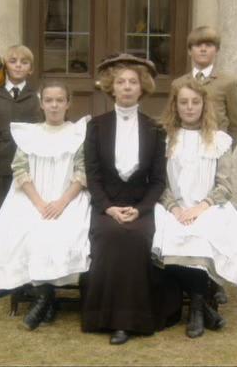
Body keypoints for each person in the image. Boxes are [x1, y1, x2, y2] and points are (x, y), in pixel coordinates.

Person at [81, 53, 179, 345]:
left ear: (142, 87)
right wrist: (109, 208)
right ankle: (105, 317)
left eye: (132, 82)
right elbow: (93, 176)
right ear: (112, 87)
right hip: (105, 206)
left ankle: (134, 319)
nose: (126, 87)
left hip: (141, 207)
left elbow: (159, 180)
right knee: (110, 235)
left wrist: (140, 210)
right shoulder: (96, 126)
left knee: (136, 238)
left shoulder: (155, 128)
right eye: (121, 82)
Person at [0, 81, 91, 330]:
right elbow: (20, 169)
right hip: (32, 196)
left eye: (59, 100)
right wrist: (38, 203)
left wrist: (61, 202)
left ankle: (45, 299)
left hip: (67, 197)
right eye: (49, 100)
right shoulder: (30, 134)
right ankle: (46, 298)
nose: (54, 105)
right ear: (41, 103)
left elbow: (82, 172)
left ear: (68, 103)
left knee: (58, 232)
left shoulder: (78, 132)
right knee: (21, 227)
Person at [153, 78, 237, 338]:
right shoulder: (165, 138)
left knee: (201, 236)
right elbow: (159, 182)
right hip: (172, 206)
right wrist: (174, 209)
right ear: (175, 105)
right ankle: (202, 306)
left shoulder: (219, 140)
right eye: (183, 102)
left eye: (195, 102)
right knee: (165, 235)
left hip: (209, 206)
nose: (190, 107)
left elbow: (225, 186)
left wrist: (200, 208)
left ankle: (196, 307)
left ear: (204, 105)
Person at [172, 25, 237, 304]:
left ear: (216, 50)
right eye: (198, 45)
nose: (203, 49)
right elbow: (175, 119)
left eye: (209, 45)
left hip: (213, 158)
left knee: (217, 223)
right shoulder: (179, 84)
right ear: (190, 50)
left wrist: (217, 152)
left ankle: (212, 283)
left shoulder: (226, 82)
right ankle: (183, 280)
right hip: (186, 158)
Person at [0, 44, 42, 220]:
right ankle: (0, 247)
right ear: (5, 66)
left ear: (31, 69)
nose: (18, 65)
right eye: (13, 61)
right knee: (1, 214)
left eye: (24, 62)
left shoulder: (38, 99)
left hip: (30, 170)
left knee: (27, 216)